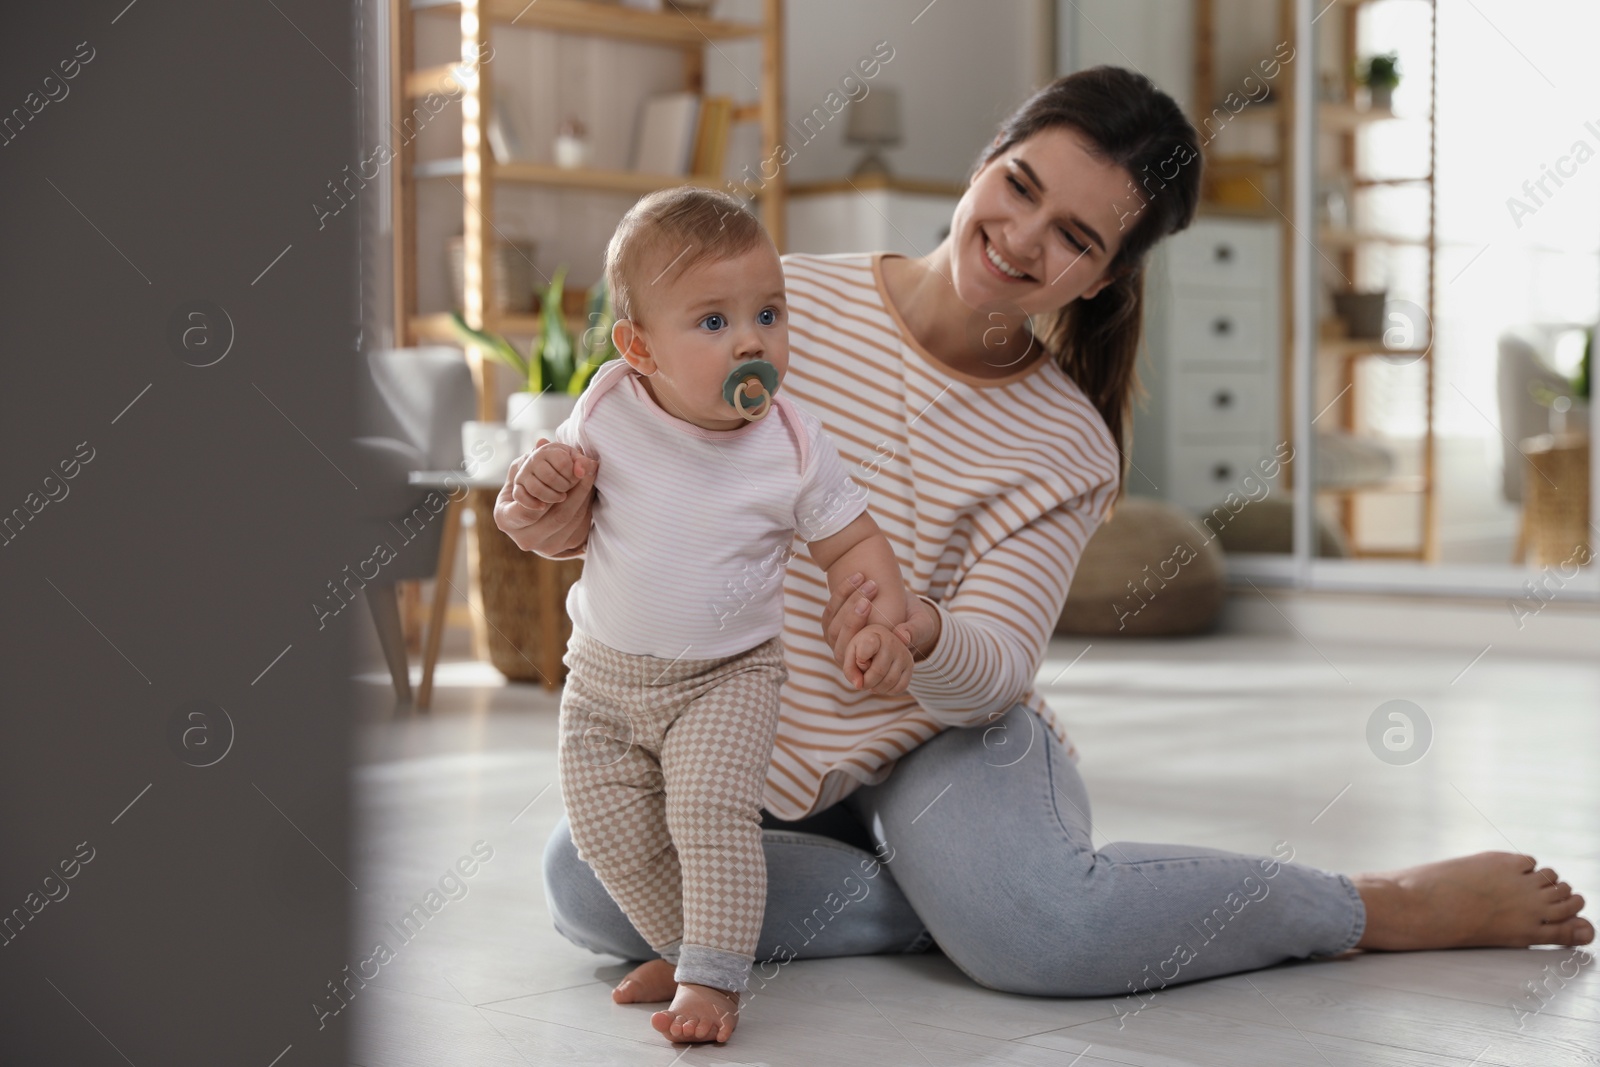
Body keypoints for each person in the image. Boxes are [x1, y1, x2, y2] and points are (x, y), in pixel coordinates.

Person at [499, 67, 1592, 1011]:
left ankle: (1377, 904)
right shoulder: (773, 305)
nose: (1022, 238)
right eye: (1019, 186)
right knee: (585, 879)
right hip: (747, 732)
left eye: (1074, 236)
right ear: (987, 160)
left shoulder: (1065, 445)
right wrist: (561, 521)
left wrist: (918, 625)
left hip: (949, 735)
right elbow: (645, 506)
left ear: (1105, 275)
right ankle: (948, 901)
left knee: (1044, 934)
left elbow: (993, 674)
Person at [513, 185, 915, 1044]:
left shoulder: (794, 444)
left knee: (708, 814)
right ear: (639, 347)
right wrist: (534, 496)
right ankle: (684, 945)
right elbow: (564, 510)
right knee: (605, 829)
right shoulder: (608, 405)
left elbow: (854, 546)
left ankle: (714, 981)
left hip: (728, 676)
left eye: (768, 313)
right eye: (712, 323)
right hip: (604, 677)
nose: (751, 341)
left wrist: (879, 614)